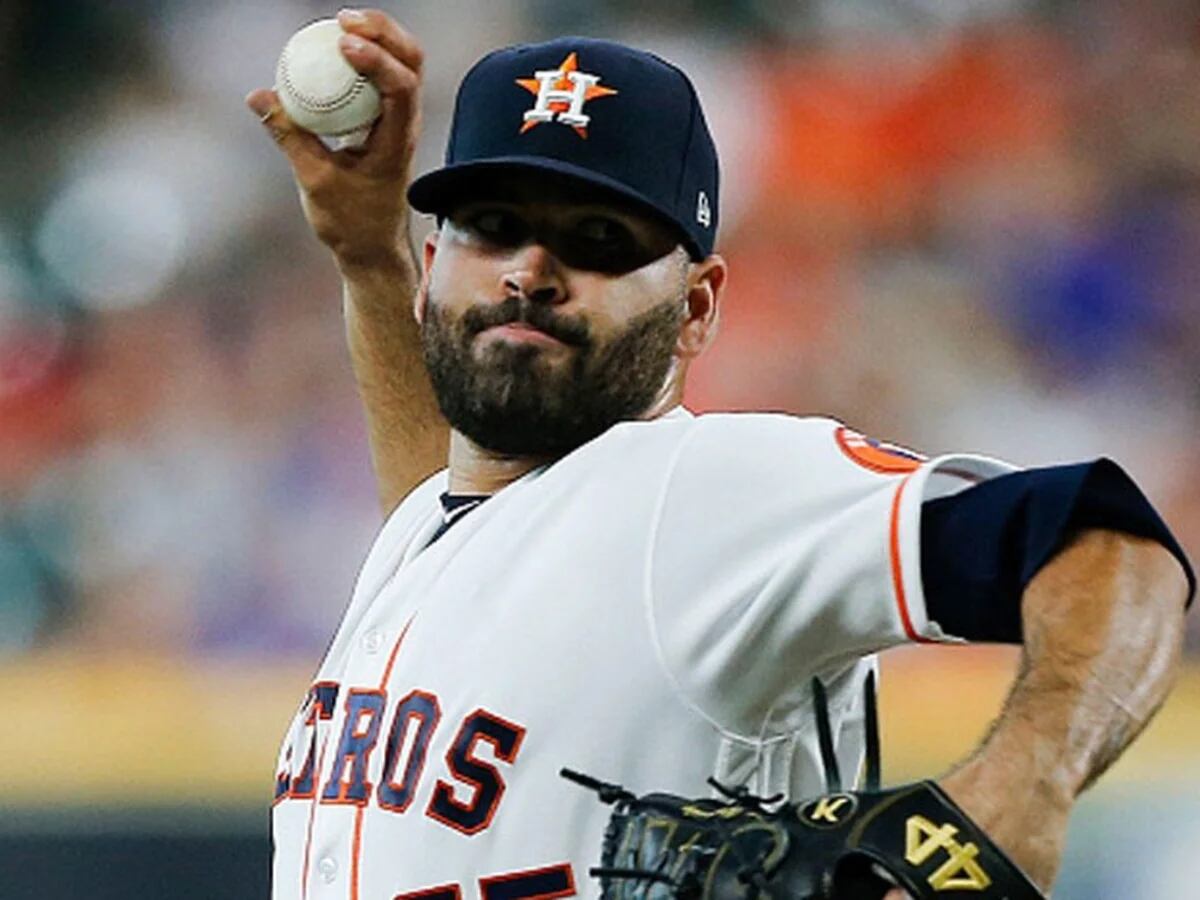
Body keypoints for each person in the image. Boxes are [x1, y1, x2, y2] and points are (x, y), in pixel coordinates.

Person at [247, 10, 1194, 899]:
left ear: (695, 308)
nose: (529, 270)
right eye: (493, 227)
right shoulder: (434, 531)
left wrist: (1015, 794)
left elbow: (1109, 545)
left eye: (598, 241)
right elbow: (460, 517)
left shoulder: (713, 490)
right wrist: (371, 261)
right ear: (434, 267)